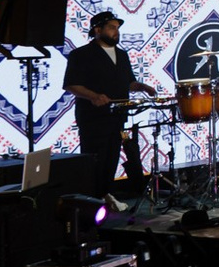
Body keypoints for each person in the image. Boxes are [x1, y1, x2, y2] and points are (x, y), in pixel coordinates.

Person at [61, 10, 157, 202]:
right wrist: (93, 96)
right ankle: (92, 201)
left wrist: (142, 87)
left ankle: (106, 196)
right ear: (98, 30)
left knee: (111, 160)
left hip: (117, 117)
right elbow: (71, 84)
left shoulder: (122, 55)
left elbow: (128, 82)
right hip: (93, 119)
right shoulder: (81, 54)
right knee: (95, 162)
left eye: (117, 28)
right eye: (112, 28)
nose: (116, 32)